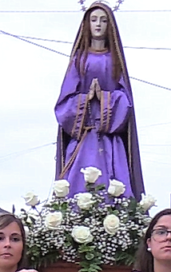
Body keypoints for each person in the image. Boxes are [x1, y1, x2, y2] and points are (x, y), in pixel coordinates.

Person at [56, 2, 144, 199]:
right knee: (77, 186)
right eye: (94, 20)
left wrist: (104, 99)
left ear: (109, 25)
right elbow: (63, 103)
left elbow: (125, 101)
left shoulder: (115, 61)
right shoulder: (79, 60)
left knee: (114, 184)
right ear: (87, 24)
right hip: (84, 137)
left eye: (103, 20)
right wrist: (86, 99)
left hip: (110, 140)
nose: (98, 24)